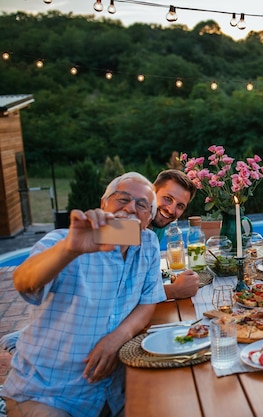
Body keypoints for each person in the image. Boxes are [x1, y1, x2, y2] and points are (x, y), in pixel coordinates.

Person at [2, 172, 166, 417]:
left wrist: (117, 337)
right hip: (48, 394)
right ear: (104, 203)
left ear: (148, 218)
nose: (131, 207)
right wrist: (69, 249)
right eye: (122, 199)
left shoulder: (148, 243)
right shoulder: (65, 240)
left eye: (142, 205)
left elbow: (147, 302)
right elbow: (25, 283)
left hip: (112, 393)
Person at [151, 169, 200, 300]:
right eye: (167, 198)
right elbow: (120, 293)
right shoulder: (127, 228)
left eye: (180, 206)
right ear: (151, 192)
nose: (171, 210)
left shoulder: (158, 226)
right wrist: (174, 291)